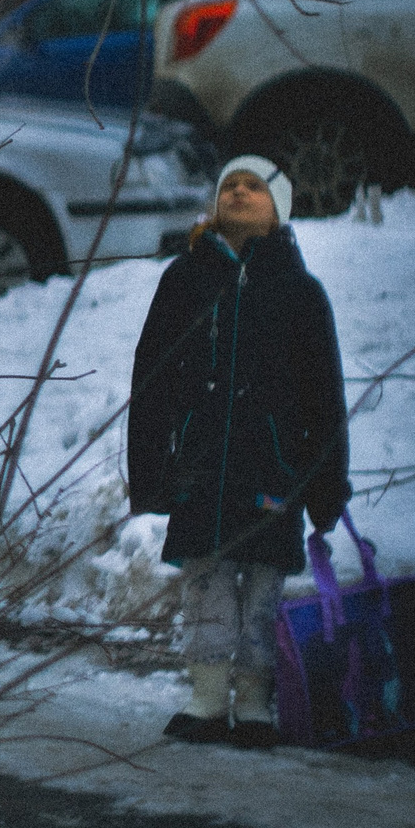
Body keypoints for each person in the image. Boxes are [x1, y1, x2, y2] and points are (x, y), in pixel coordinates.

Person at [127, 156, 352, 749]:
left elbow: (325, 395)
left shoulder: (300, 291)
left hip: (274, 465)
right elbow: (149, 377)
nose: (240, 193)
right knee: (205, 578)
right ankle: (204, 699)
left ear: (280, 207)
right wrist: (151, 467)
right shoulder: (185, 279)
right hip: (199, 466)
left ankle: (254, 703)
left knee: (262, 586)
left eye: (255, 186)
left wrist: (327, 486)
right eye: (230, 184)